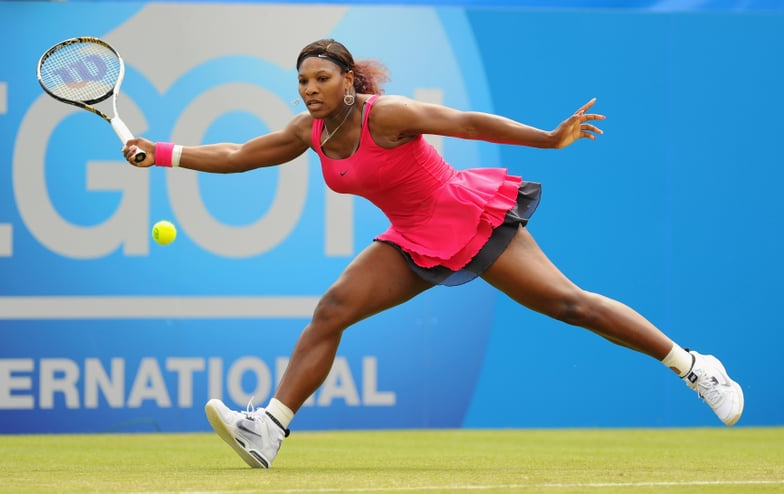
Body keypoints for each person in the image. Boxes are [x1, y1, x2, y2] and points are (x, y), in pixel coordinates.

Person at [124, 38, 744, 469]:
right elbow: (236, 156)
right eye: (302, 82)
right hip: (409, 238)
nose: (309, 90)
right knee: (334, 308)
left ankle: (693, 366)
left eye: (321, 79)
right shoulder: (305, 133)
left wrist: (549, 139)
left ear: (348, 81)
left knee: (569, 304)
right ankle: (270, 426)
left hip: (465, 215)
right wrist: (162, 152)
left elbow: (467, 122)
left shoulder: (387, 114)